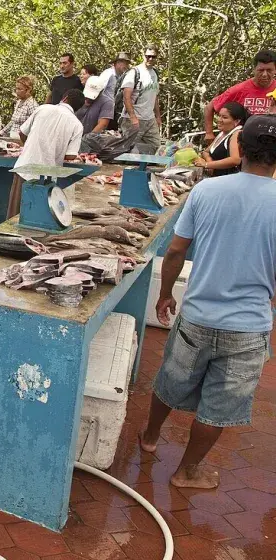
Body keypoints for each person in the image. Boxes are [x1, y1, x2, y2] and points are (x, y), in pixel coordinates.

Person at [140, 115, 276, 490]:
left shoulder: (206, 191)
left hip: (197, 315)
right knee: (219, 406)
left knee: (171, 380)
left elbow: (175, 251)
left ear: (241, 149)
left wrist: (166, 293)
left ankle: (149, 438)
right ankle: (187, 472)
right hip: (248, 327)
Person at [7, 89, 85, 217]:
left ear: (64, 98)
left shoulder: (43, 109)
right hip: (48, 177)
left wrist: (31, 146)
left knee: (15, 215)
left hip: (25, 169)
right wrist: (57, 150)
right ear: (78, 108)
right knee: (38, 216)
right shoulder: (77, 125)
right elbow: (71, 155)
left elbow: (22, 132)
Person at [203, 50, 276, 145]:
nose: (265, 74)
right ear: (254, 69)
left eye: (269, 70)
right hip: (245, 143)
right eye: (261, 70)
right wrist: (209, 133)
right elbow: (209, 107)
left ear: (275, 70)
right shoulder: (240, 89)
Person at [119, 45, 162, 155]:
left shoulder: (155, 73)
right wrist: (133, 118)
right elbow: (126, 96)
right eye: (148, 56)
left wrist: (158, 116)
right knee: (128, 150)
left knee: (157, 147)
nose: (150, 59)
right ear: (143, 56)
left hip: (149, 118)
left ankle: (145, 168)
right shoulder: (134, 72)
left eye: (153, 57)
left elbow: (155, 96)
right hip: (133, 118)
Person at [194, 102, 248, 176]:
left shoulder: (236, 133)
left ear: (237, 121)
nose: (219, 120)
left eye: (224, 117)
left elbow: (235, 160)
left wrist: (207, 165)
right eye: (219, 116)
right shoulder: (223, 133)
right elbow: (206, 152)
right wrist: (209, 161)